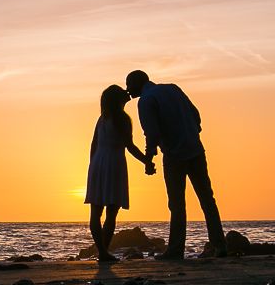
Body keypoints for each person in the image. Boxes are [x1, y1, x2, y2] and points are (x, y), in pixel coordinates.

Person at [124, 70, 226, 260]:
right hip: (195, 149)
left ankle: (175, 249)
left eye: (128, 86)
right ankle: (220, 245)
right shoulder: (173, 89)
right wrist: (193, 133)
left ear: (136, 84)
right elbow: (196, 115)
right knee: (207, 200)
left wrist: (149, 158)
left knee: (177, 204)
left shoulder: (145, 101)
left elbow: (151, 133)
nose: (127, 90)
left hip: (174, 155)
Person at [84, 84, 155, 262]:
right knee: (111, 213)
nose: (126, 92)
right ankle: (103, 252)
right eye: (122, 92)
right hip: (114, 163)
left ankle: (102, 251)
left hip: (98, 163)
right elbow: (129, 146)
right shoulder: (122, 118)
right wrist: (146, 160)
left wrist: (93, 165)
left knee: (96, 212)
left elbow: (93, 144)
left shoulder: (102, 119)